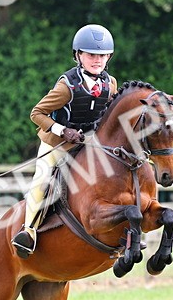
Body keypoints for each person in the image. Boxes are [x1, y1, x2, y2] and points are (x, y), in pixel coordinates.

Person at [12, 24, 118, 258]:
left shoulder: (110, 84)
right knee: (42, 182)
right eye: (91, 55)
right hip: (56, 145)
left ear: (108, 56)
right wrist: (62, 130)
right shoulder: (67, 86)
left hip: (88, 145)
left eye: (102, 55)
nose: (97, 60)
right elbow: (36, 113)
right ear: (78, 55)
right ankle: (28, 231)